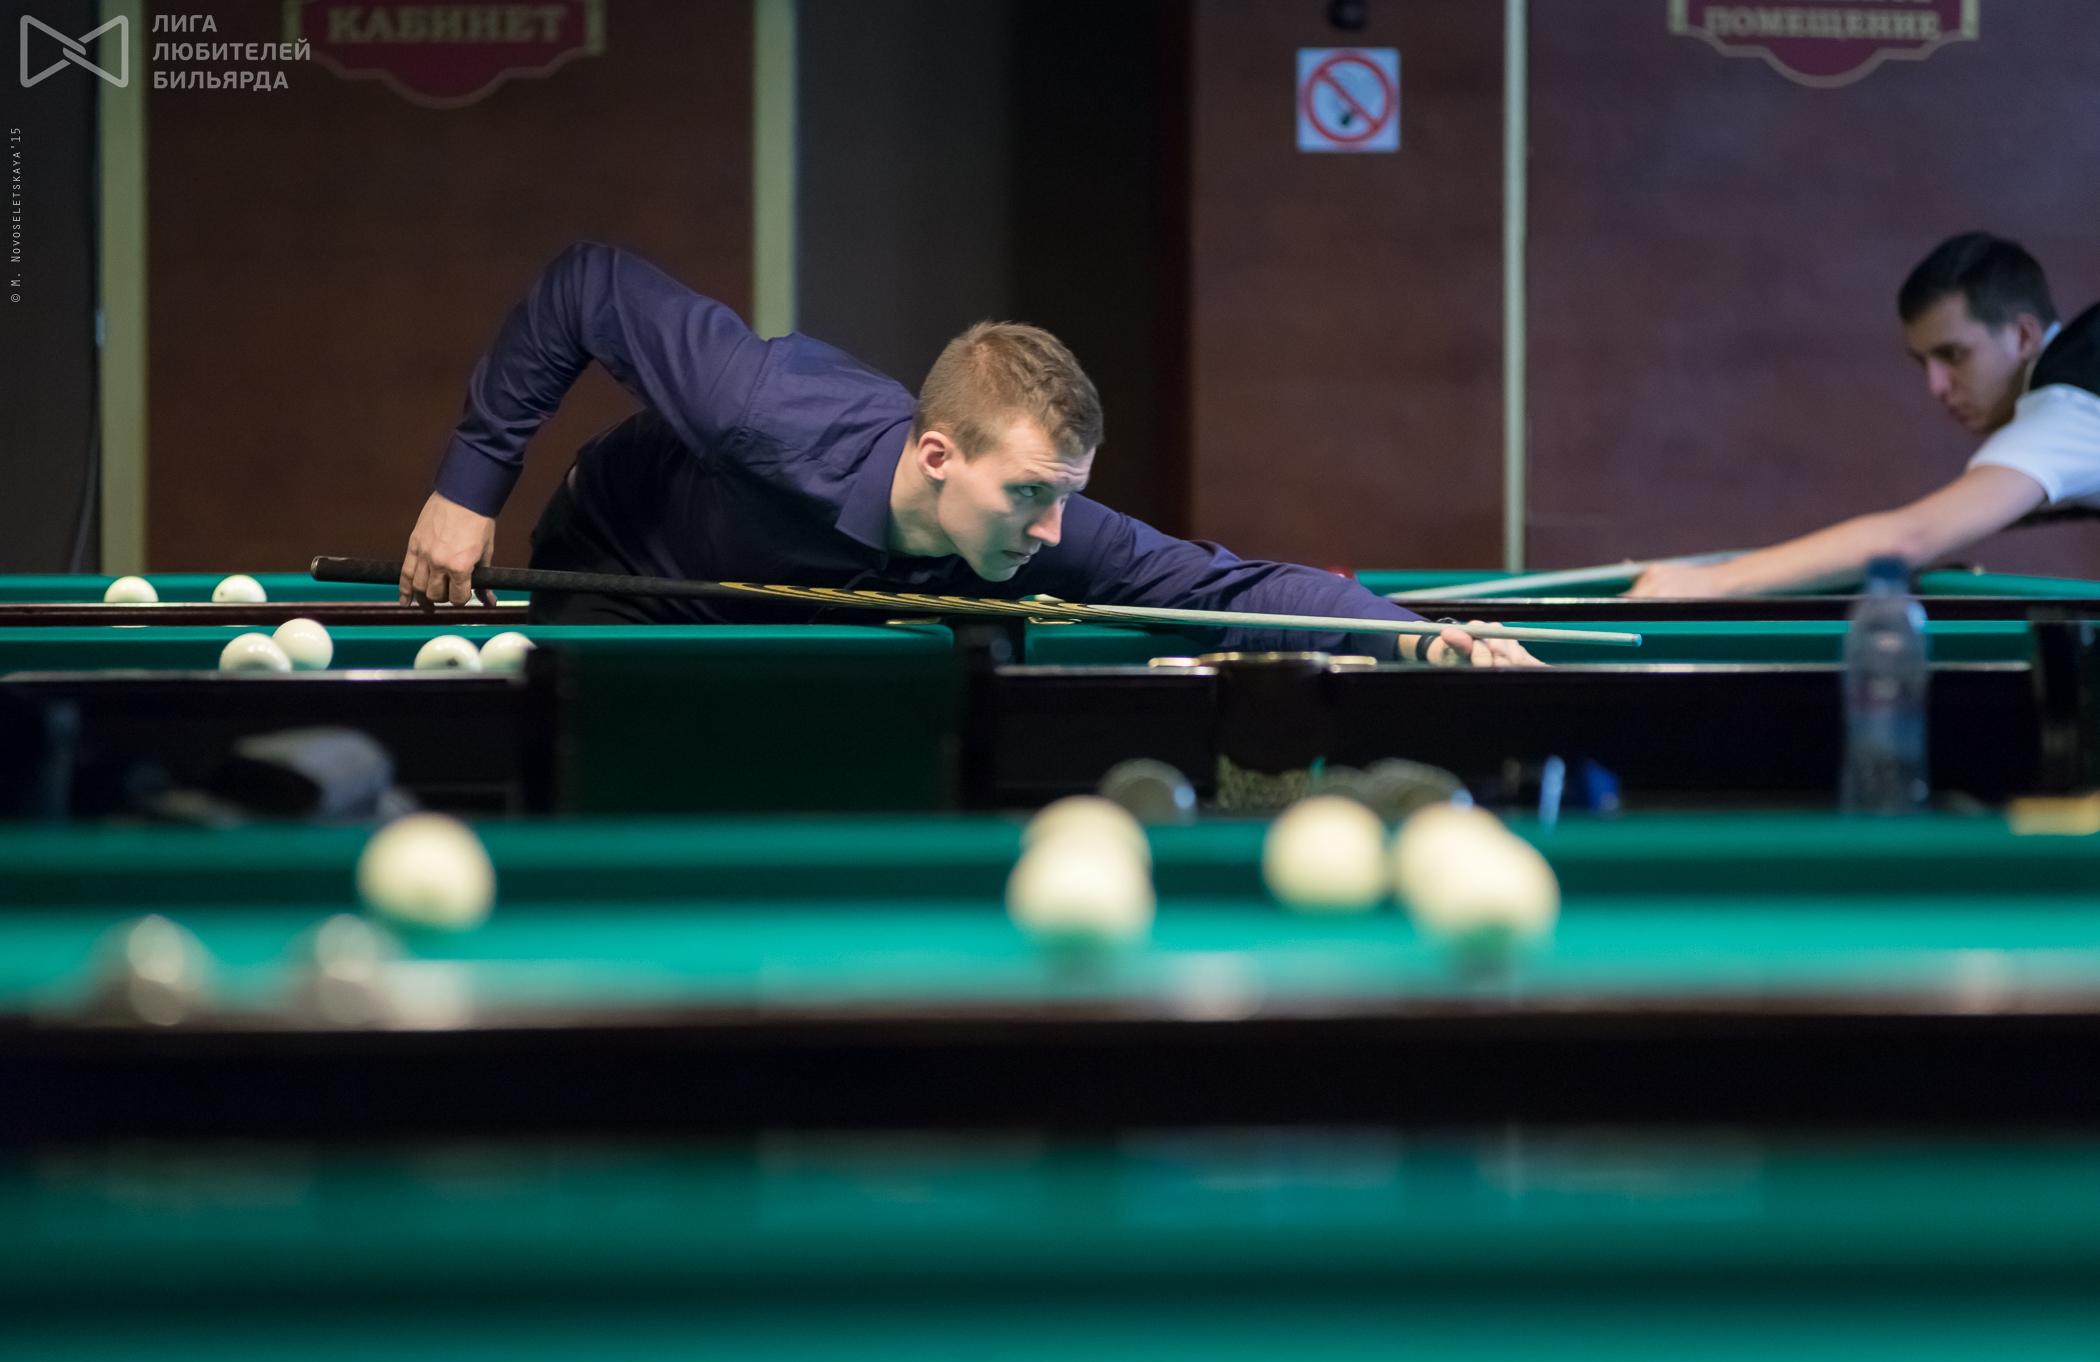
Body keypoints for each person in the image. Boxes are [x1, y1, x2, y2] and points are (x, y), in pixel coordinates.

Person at [399, 242, 1538, 666]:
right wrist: (467, 489)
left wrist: (1417, 637)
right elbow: (587, 285)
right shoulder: (762, 407)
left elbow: (1227, 589)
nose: (1052, 530)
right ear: (938, 454)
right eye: (1031, 494)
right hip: (626, 578)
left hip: (809, 622)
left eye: (1065, 497)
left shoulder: (1033, 525)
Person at [1629, 232, 2100, 598]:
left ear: (2023, 336)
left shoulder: (2065, 410)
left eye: (1954, 355)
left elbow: (1909, 538)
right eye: (1923, 363)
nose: (1936, 386)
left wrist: (1712, 581)